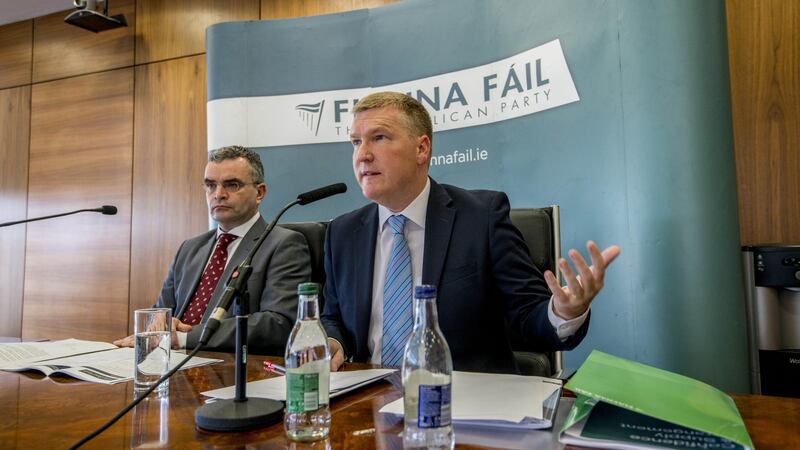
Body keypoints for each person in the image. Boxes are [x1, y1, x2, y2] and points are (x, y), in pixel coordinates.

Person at [320, 92, 620, 373]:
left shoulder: (482, 217)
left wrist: (563, 312)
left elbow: (529, 315)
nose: (363, 155)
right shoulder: (343, 233)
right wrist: (333, 342)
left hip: (465, 406)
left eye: (379, 138)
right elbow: (334, 318)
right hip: (366, 404)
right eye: (356, 142)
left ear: (421, 148)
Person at [115, 146, 311, 354]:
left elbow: (278, 324)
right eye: (210, 185)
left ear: (259, 192)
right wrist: (157, 327)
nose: (218, 194)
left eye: (232, 185)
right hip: (171, 362)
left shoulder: (284, 244)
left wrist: (183, 338)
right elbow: (161, 311)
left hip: (232, 369)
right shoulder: (190, 248)